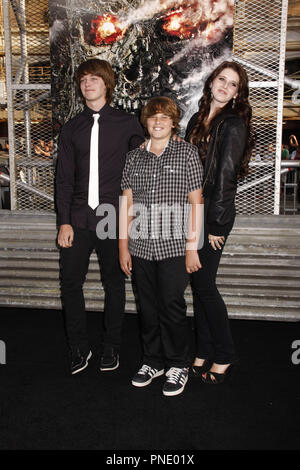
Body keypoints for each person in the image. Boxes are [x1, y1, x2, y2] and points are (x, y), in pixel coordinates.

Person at [56, 59, 144, 375]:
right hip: (78, 217)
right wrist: (63, 221)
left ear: (107, 83)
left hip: (112, 215)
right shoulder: (72, 128)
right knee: (69, 283)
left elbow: (145, 159)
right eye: (83, 79)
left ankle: (112, 347)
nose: (88, 83)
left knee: (114, 284)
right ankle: (78, 348)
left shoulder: (128, 123)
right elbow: (63, 178)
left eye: (94, 78)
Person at [119, 97, 203, 396]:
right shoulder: (133, 158)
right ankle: (152, 360)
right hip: (141, 247)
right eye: (152, 117)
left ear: (173, 122)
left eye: (164, 117)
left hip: (175, 247)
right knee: (147, 307)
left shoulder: (187, 153)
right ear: (145, 121)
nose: (158, 121)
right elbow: (127, 202)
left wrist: (193, 247)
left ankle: (177, 363)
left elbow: (196, 203)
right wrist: (123, 247)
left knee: (172, 306)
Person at [185, 61, 254, 384]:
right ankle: (202, 349)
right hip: (195, 209)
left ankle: (223, 354)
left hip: (215, 212)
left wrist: (216, 225)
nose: (225, 87)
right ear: (211, 81)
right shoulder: (198, 120)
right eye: (222, 80)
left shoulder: (232, 124)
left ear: (238, 94)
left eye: (233, 85)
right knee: (197, 286)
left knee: (205, 286)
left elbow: (226, 178)